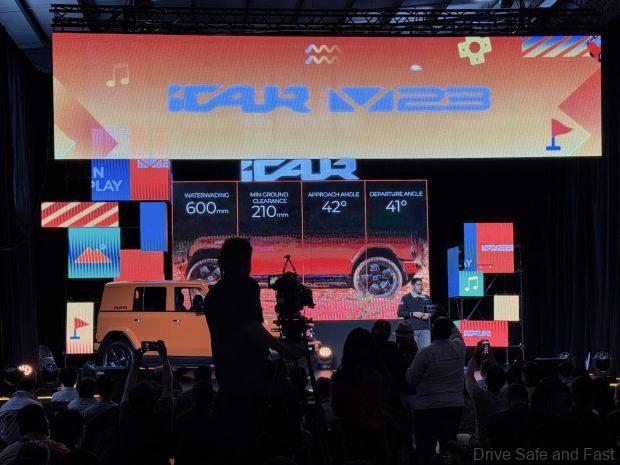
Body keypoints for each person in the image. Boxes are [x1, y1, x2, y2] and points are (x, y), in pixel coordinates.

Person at [204, 237, 305, 464]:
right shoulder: (246, 286)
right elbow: (251, 327)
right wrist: (284, 350)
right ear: (244, 261)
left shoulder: (214, 294)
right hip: (253, 378)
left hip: (228, 377)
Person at [405, 318, 466, 465]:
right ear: (450, 331)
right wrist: (447, 319)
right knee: (449, 449)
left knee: (425, 452)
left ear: (434, 331)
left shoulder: (425, 353)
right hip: (453, 406)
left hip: (426, 408)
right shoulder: (459, 348)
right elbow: (458, 335)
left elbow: (411, 380)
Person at [331, 328, 392, 465]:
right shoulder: (379, 376)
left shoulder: (340, 378)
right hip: (378, 435)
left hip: (351, 435)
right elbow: (384, 403)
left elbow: (336, 409)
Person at [118, 341, 173, 465]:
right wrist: (164, 358)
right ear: (155, 401)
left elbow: (127, 389)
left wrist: (136, 363)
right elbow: (168, 387)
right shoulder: (162, 418)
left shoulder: (126, 418)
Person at [464, 341, 507, 447]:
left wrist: (475, 354)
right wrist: (492, 358)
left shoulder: (480, 396)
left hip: (482, 442)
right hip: (503, 441)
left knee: (459, 437)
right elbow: (501, 376)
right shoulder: (507, 394)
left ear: (486, 379)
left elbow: (468, 375)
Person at [0, 404, 69, 465]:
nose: (48, 422)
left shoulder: (7, 453)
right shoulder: (60, 451)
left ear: (19, 427)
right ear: (44, 423)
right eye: (46, 419)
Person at [172, 380, 216, 465]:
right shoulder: (216, 420)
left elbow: (173, 445)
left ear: (193, 396)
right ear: (212, 397)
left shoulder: (181, 418)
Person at [487, 383, 530, 452]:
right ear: (527, 399)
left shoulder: (495, 418)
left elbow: (489, 446)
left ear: (507, 399)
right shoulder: (540, 417)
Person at [0, 378, 42, 444]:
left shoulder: (4, 406)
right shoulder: (35, 405)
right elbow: (44, 432)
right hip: (30, 445)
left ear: (17, 389)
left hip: (6, 445)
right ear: (33, 390)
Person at [396, 278, 434, 349]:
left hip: (425, 330)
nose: (421, 287)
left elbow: (431, 311)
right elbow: (400, 313)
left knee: (426, 351)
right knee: (413, 351)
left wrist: (428, 315)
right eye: (418, 285)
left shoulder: (426, 298)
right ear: (413, 286)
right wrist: (412, 314)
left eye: (421, 285)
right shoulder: (406, 298)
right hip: (412, 331)